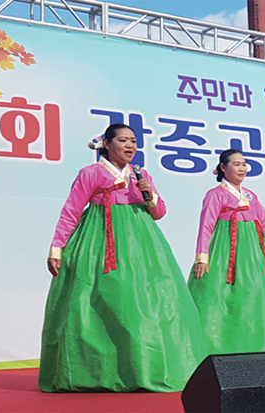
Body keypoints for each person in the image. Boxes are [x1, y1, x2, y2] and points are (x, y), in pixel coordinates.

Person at [39, 124, 206, 392]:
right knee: (97, 303)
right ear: (106, 143)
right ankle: (97, 372)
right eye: (123, 140)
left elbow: (159, 212)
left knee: (145, 304)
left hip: (141, 245)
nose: (130, 146)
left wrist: (148, 193)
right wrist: (57, 246)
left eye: (134, 141)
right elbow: (71, 210)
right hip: (100, 240)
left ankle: (141, 369)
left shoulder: (141, 175)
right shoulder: (90, 173)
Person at [188, 149, 265, 354]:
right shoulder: (215, 194)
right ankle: (218, 347)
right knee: (221, 296)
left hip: (253, 251)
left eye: (244, 164)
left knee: (256, 294)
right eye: (236, 164)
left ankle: (259, 344)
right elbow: (206, 226)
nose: (242, 168)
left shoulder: (251, 195)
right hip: (225, 248)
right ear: (222, 167)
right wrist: (202, 258)